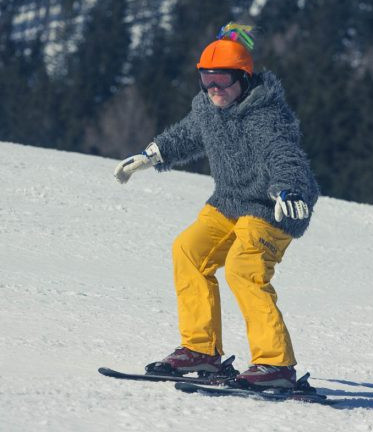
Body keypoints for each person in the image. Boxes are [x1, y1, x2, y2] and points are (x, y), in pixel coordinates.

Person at [114, 23, 319, 389]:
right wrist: (151, 155)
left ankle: (275, 365)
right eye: (206, 80)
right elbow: (187, 134)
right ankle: (201, 350)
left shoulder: (264, 114)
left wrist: (290, 191)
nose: (214, 90)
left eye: (222, 80)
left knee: (244, 268)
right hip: (228, 203)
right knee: (188, 250)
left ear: (243, 77)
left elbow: (283, 154)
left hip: (272, 207)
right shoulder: (207, 108)